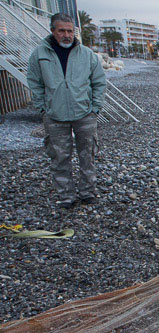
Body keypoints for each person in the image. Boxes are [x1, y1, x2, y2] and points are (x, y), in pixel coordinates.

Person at [27, 13, 106, 209]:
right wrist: (42, 108)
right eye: (61, 30)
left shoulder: (87, 54)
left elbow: (99, 82)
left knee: (87, 155)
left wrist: (95, 107)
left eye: (70, 31)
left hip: (84, 114)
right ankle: (66, 196)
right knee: (59, 157)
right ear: (53, 31)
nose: (66, 35)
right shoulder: (40, 55)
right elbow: (34, 83)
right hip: (54, 115)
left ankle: (88, 192)